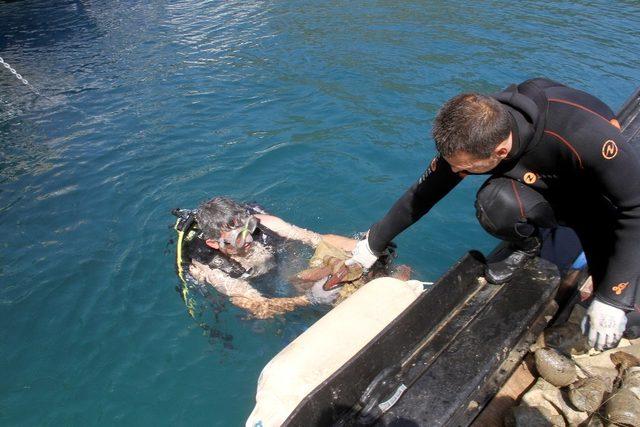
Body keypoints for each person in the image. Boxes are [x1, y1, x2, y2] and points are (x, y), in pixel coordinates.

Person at [347, 78, 640, 351]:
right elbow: (423, 193)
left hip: (596, 193)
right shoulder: (474, 133)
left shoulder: (582, 135)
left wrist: (613, 298)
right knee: (495, 203)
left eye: (469, 168)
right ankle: (530, 245)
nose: (459, 172)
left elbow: (635, 207)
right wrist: (373, 243)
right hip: (543, 185)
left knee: (628, 320)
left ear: (500, 152)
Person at [182, 197, 358, 319]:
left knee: (309, 276)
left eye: (248, 228)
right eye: (239, 237)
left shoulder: (264, 223)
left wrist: (360, 248)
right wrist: (308, 299)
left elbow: (318, 240)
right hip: (248, 280)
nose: (249, 238)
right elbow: (259, 307)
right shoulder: (212, 266)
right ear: (214, 243)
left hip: (277, 259)